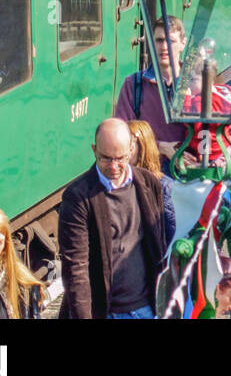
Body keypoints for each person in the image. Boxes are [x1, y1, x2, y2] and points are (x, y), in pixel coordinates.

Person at [58, 119, 168, 319]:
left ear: (131, 150)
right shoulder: (78, 197)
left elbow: (159, 246)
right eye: (106, 158)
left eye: (121, 158)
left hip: (147, 307)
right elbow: (76, 268)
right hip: (105, 311)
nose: (114, 166)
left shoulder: (148, 183)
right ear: (94, 150)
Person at [114, 15, 189, 154]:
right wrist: (161, 147)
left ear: (182, 44)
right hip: (149, 170)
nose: (164, 47)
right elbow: (122, 134)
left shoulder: (196, 84)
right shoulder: (133, 85)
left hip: (189, 168)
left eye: (170, 41)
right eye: (159, 40)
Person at [128, 121, 176, 244]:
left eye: (129, 145)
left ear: (142, 147)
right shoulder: (117, 182)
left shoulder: (164, 187)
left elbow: (172, 235)